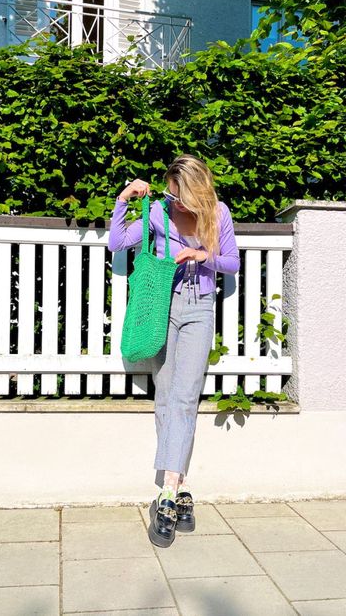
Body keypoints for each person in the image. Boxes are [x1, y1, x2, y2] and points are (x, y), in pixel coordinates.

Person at [108, 154, 240, 547]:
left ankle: (166, 494)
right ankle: (181, 489)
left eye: (180, 196)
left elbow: (232, 262)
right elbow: (117, 242)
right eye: (170, 194)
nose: (174, 202)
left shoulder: (218, 213)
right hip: (162, 307)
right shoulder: (156, 214)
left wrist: (203, 256)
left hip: (199, 308)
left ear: (197, 191)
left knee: (185, 398)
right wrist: (123, 198)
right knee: (165, 398)